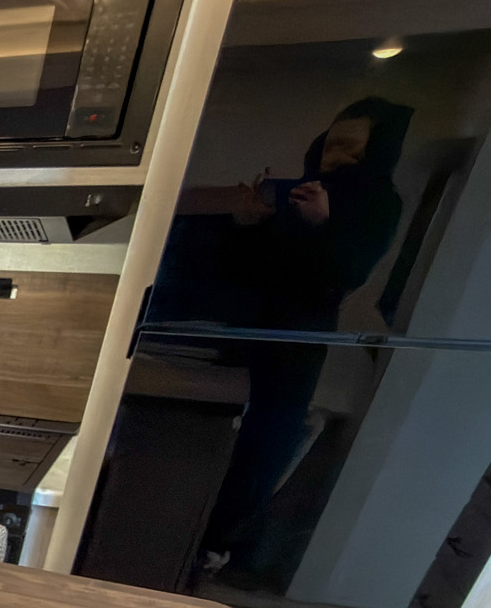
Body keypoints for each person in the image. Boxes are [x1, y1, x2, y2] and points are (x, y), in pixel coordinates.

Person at [155, 97, 414, 569]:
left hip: (297, 332)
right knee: (206, 417)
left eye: (353, 148)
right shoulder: (299, 189)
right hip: (246, 322)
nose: (339, 156)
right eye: (333, 144)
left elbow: (347, 273)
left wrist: (322, 224)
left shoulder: (379, 199)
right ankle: (174, 531)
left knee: (267, 435)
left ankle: (211, 540)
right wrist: (247, 221)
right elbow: (244, 263)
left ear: (375, 152)